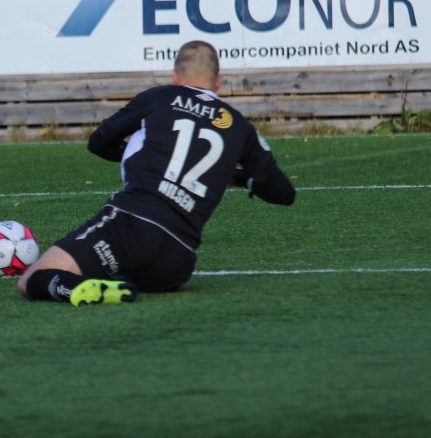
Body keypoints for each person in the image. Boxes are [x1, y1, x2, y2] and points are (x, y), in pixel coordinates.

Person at [17, 40, 295, 306]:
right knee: (129, 269)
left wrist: (147, 159)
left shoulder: (161, 96)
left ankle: (76, 289)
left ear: (176, 76)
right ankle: (115, 280)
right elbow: (283, 193)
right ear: (218, 82)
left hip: (130, 228)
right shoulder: (240, 127)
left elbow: (99, 142)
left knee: (32, 279)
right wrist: (242, 178)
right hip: (175, 262)